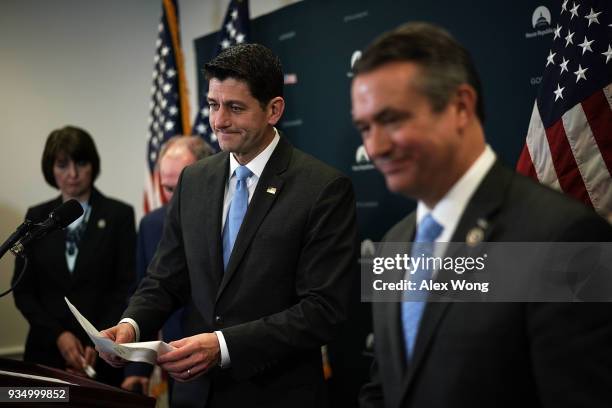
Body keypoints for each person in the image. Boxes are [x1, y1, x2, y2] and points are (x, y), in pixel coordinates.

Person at [351, 22, 612, 408]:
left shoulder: (563, 237)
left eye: (392, 120)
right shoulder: (392, 243)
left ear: (460, 107)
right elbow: (386, 388)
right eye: (365, 127)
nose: (376, 146)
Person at [99, 43, 358, 407]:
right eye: (213, 105)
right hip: (194, 393)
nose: (219, 121)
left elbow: (323, 310)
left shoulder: (322, 188)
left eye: (235, 108)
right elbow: (165, 278)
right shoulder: (194, 180)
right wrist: (131, 326)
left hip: (276, 394)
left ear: (274, 110)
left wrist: (222, 346)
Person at [12, 125, 136, 386]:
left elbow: (125, 286)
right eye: (62, 165)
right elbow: (23, 291)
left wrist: (100, 339)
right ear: (50, 169)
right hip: (45, 353)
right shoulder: (36, 217)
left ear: (93, 165)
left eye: (81, 163)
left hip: (102, 355)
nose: (73, 174)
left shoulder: (119, 215)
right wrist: (58, 334)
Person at [122, 135, 213, 395]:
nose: (174, 199)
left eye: (181, 186)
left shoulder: (233, 218)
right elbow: (145, 294)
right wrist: (137, 370)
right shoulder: (151, 225)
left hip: (229, 363)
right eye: (168, 188)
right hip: (178, 368)